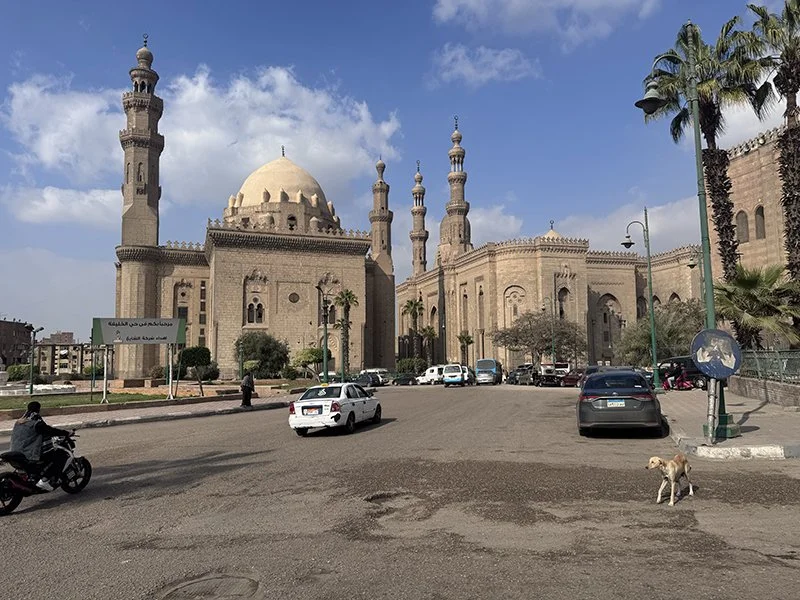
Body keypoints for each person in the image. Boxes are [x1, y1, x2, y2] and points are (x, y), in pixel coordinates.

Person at [9, 401, 72, 491]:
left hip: (15, 451)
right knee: (60, 455)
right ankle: (45, 480)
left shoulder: (19, 422)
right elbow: (50, 431)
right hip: (29, 454)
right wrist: (66, 433)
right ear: (38, 409)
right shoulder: (36, 423)